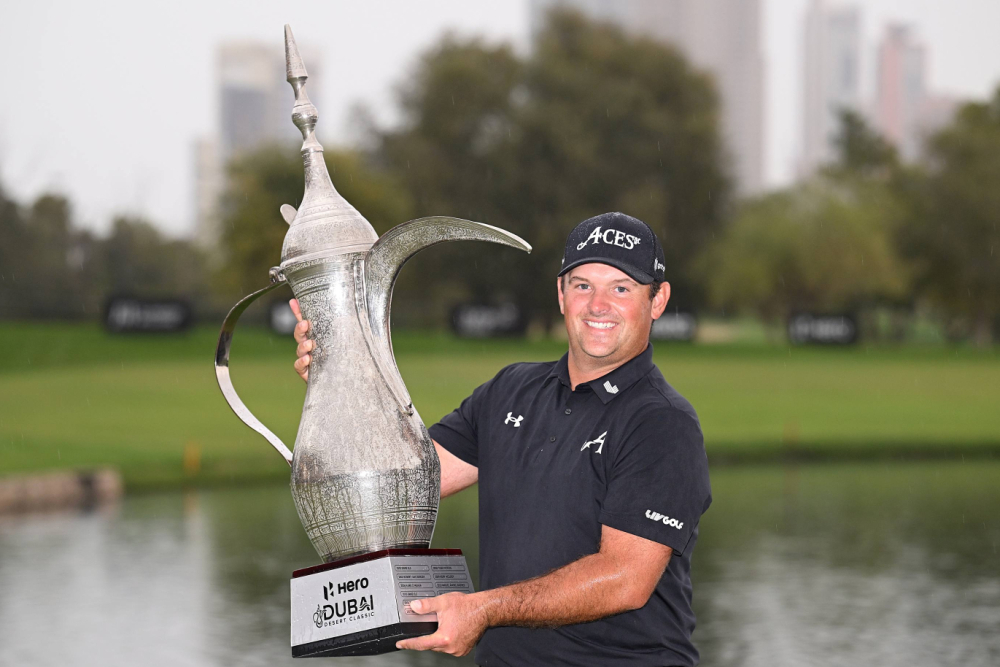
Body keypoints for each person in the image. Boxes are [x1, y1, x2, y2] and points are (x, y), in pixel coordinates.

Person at [291, 212, 712, 666]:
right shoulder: (510, 390)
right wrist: (339, 376)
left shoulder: (662, 423)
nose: (598, 305)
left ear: (658, 300)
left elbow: (624, 578)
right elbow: (401, 482)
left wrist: (484, 608)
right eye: (583, 285)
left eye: (622, 288)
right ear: (561, 294)